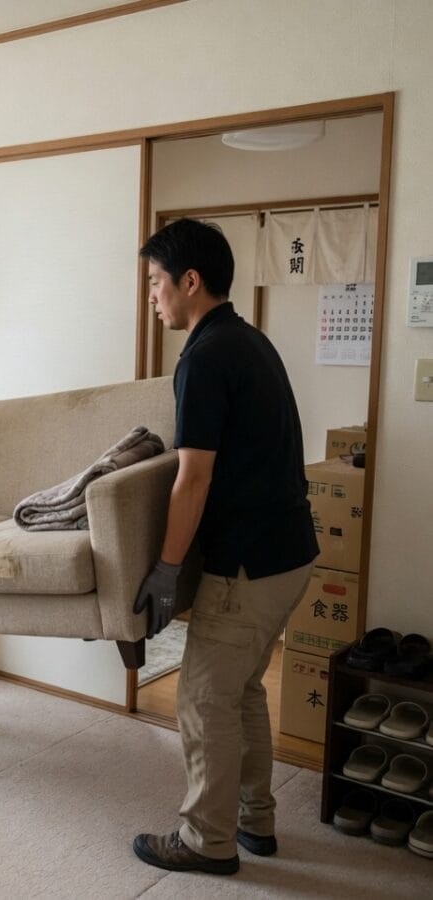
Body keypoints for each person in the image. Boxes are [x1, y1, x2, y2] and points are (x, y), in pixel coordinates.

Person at [132, 218, 319, 875]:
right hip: (289, 553)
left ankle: (205, 840)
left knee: (203, 698)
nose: (150, 296)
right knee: (240, 692)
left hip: (250, 563)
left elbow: (194, 477)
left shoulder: (205, 357)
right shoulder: (247, 339)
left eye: (156, 281)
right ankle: (254, 820)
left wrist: (166, 568)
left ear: (190, 281)